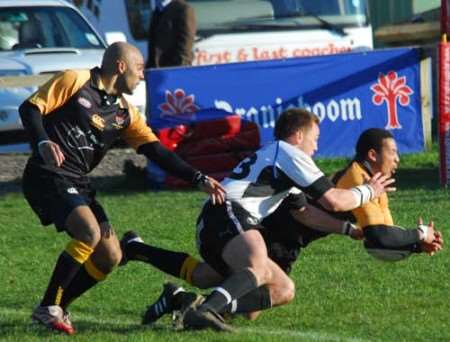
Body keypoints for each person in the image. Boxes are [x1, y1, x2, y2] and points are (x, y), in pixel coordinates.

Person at [121, 108, 395, 331]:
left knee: (281, 289)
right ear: (298, 136)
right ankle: (203, 311)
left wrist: (347, 229)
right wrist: (370, 190)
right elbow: (333, 200)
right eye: (315, 137)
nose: (316, 145)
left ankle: (158, 272)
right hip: (226, 212)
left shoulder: (280, 159)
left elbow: (305, 212)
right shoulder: (290, 154)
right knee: (258, 266)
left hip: (221, 220)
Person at [19, 41, 225, 335]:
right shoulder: (74, 80)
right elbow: (30, 108)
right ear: (120, 66)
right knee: (88, 232)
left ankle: (57, 306)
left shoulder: (125, 113)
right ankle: (48, 307)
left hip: (77, 180)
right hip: (46, 173)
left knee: (110, 256)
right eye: (139, 68)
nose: (142, 75)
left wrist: (198, 179)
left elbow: (157, 151)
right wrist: (42, 142)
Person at [146, 0, 197, 68]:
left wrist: (177, 71)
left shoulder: (183, 9)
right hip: (157, 70)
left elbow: (185, 46)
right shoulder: (157, 10)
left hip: (175, 70)